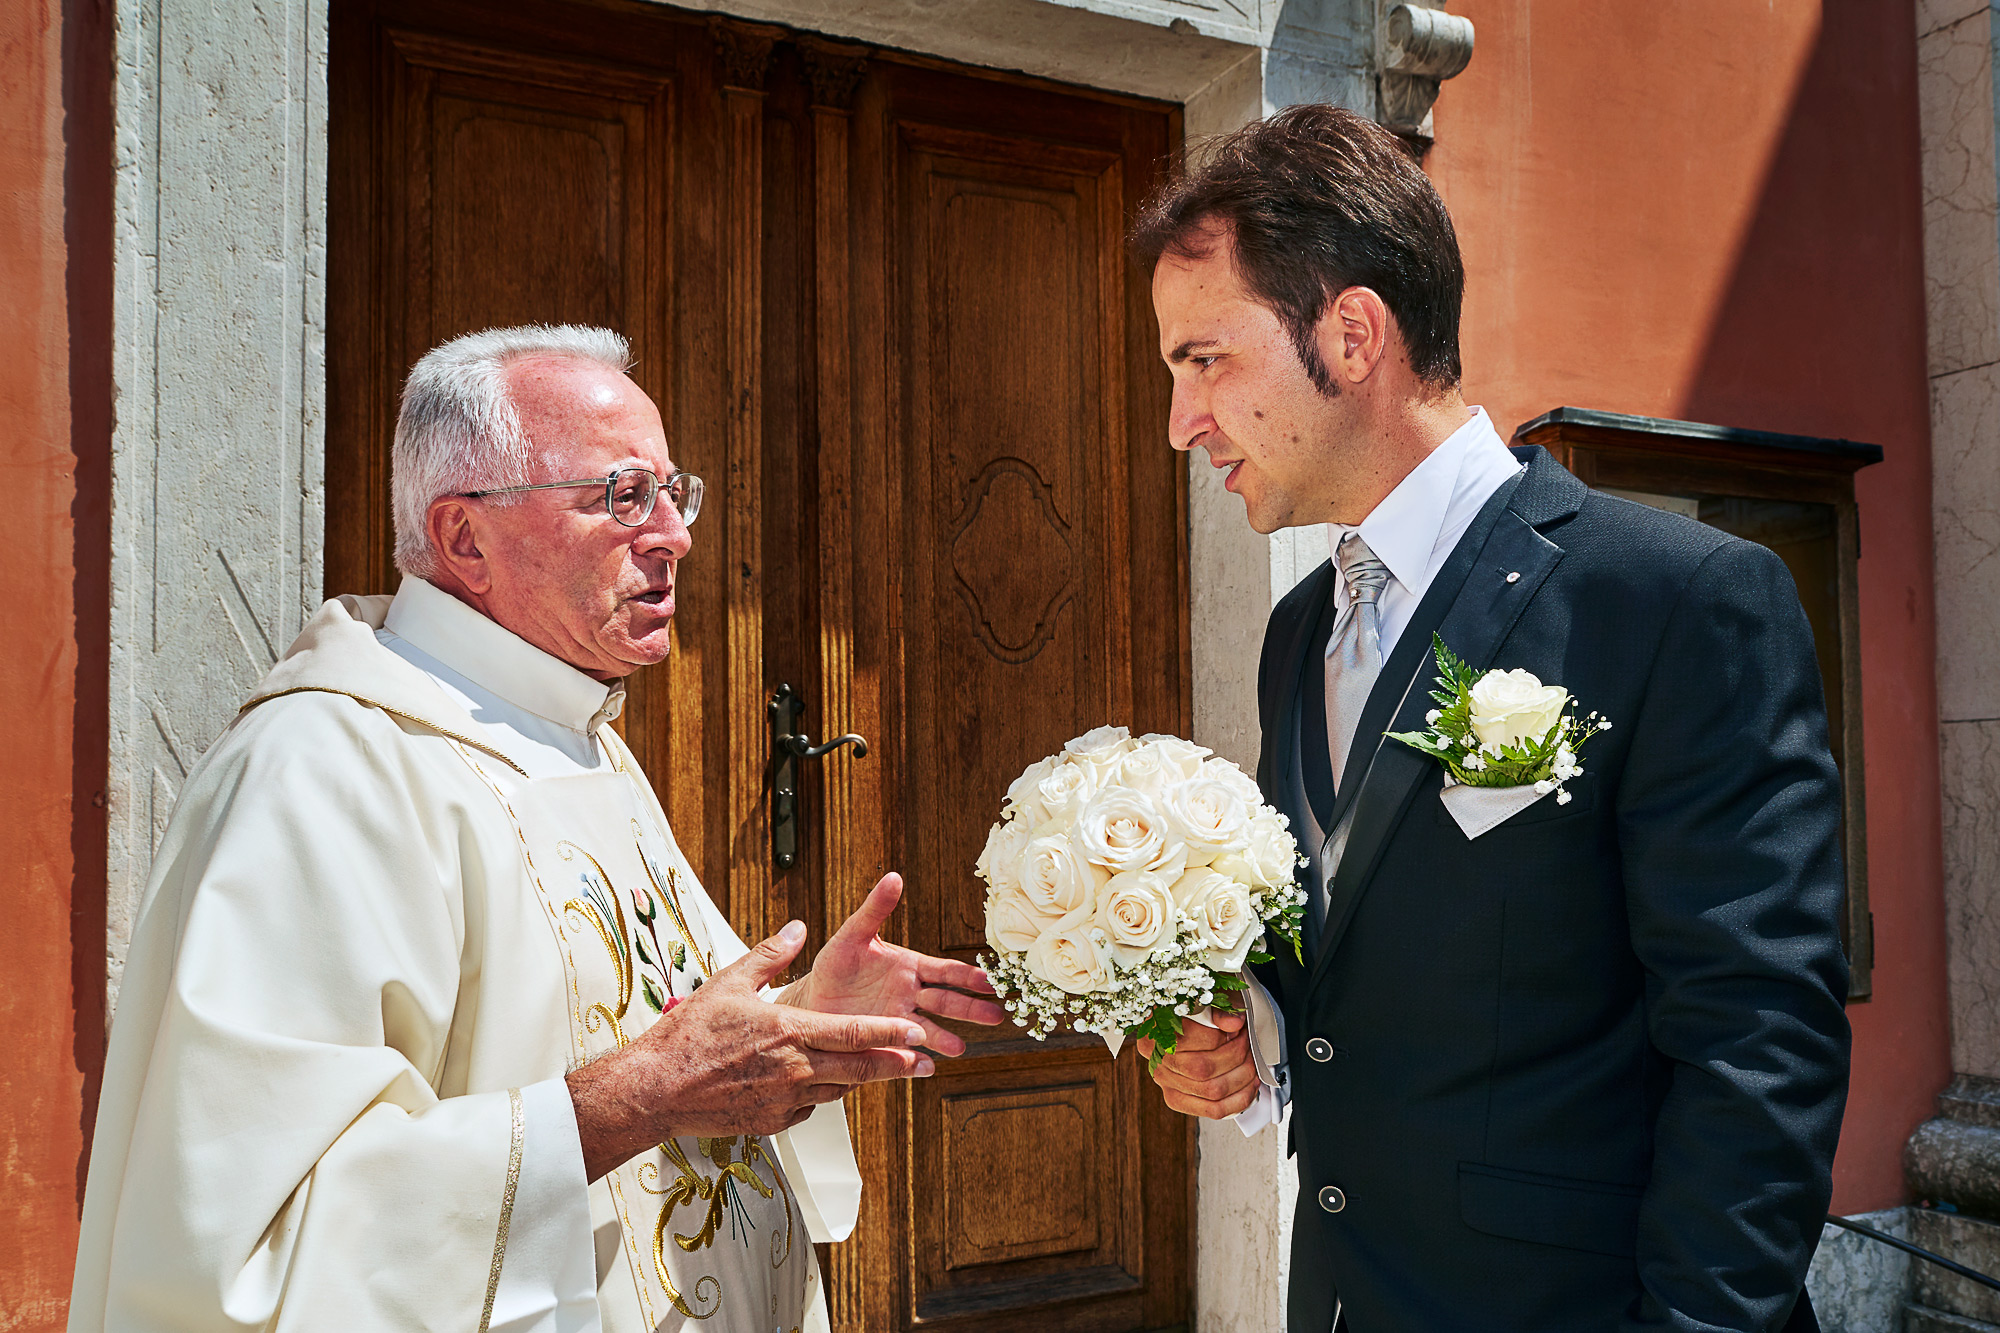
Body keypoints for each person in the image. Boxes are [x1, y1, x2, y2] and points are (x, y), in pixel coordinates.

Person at [69, 325, 1003, 1332]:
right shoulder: (322, 772)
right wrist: (633, 1099)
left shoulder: (573, 736)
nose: (674, 535)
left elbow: (652, 1034)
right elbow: (257, 1242)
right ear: (465, 538)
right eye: (621, 497)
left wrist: (805, 1026)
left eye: (671, 494)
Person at [1130, 106, 1851, 1332]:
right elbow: (1363, 939)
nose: (1180, 420)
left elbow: (1755, 1046)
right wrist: (1247, 1026)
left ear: (1351, 334)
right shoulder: (1296, 629)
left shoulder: (1673, 600)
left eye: (1205, 360)